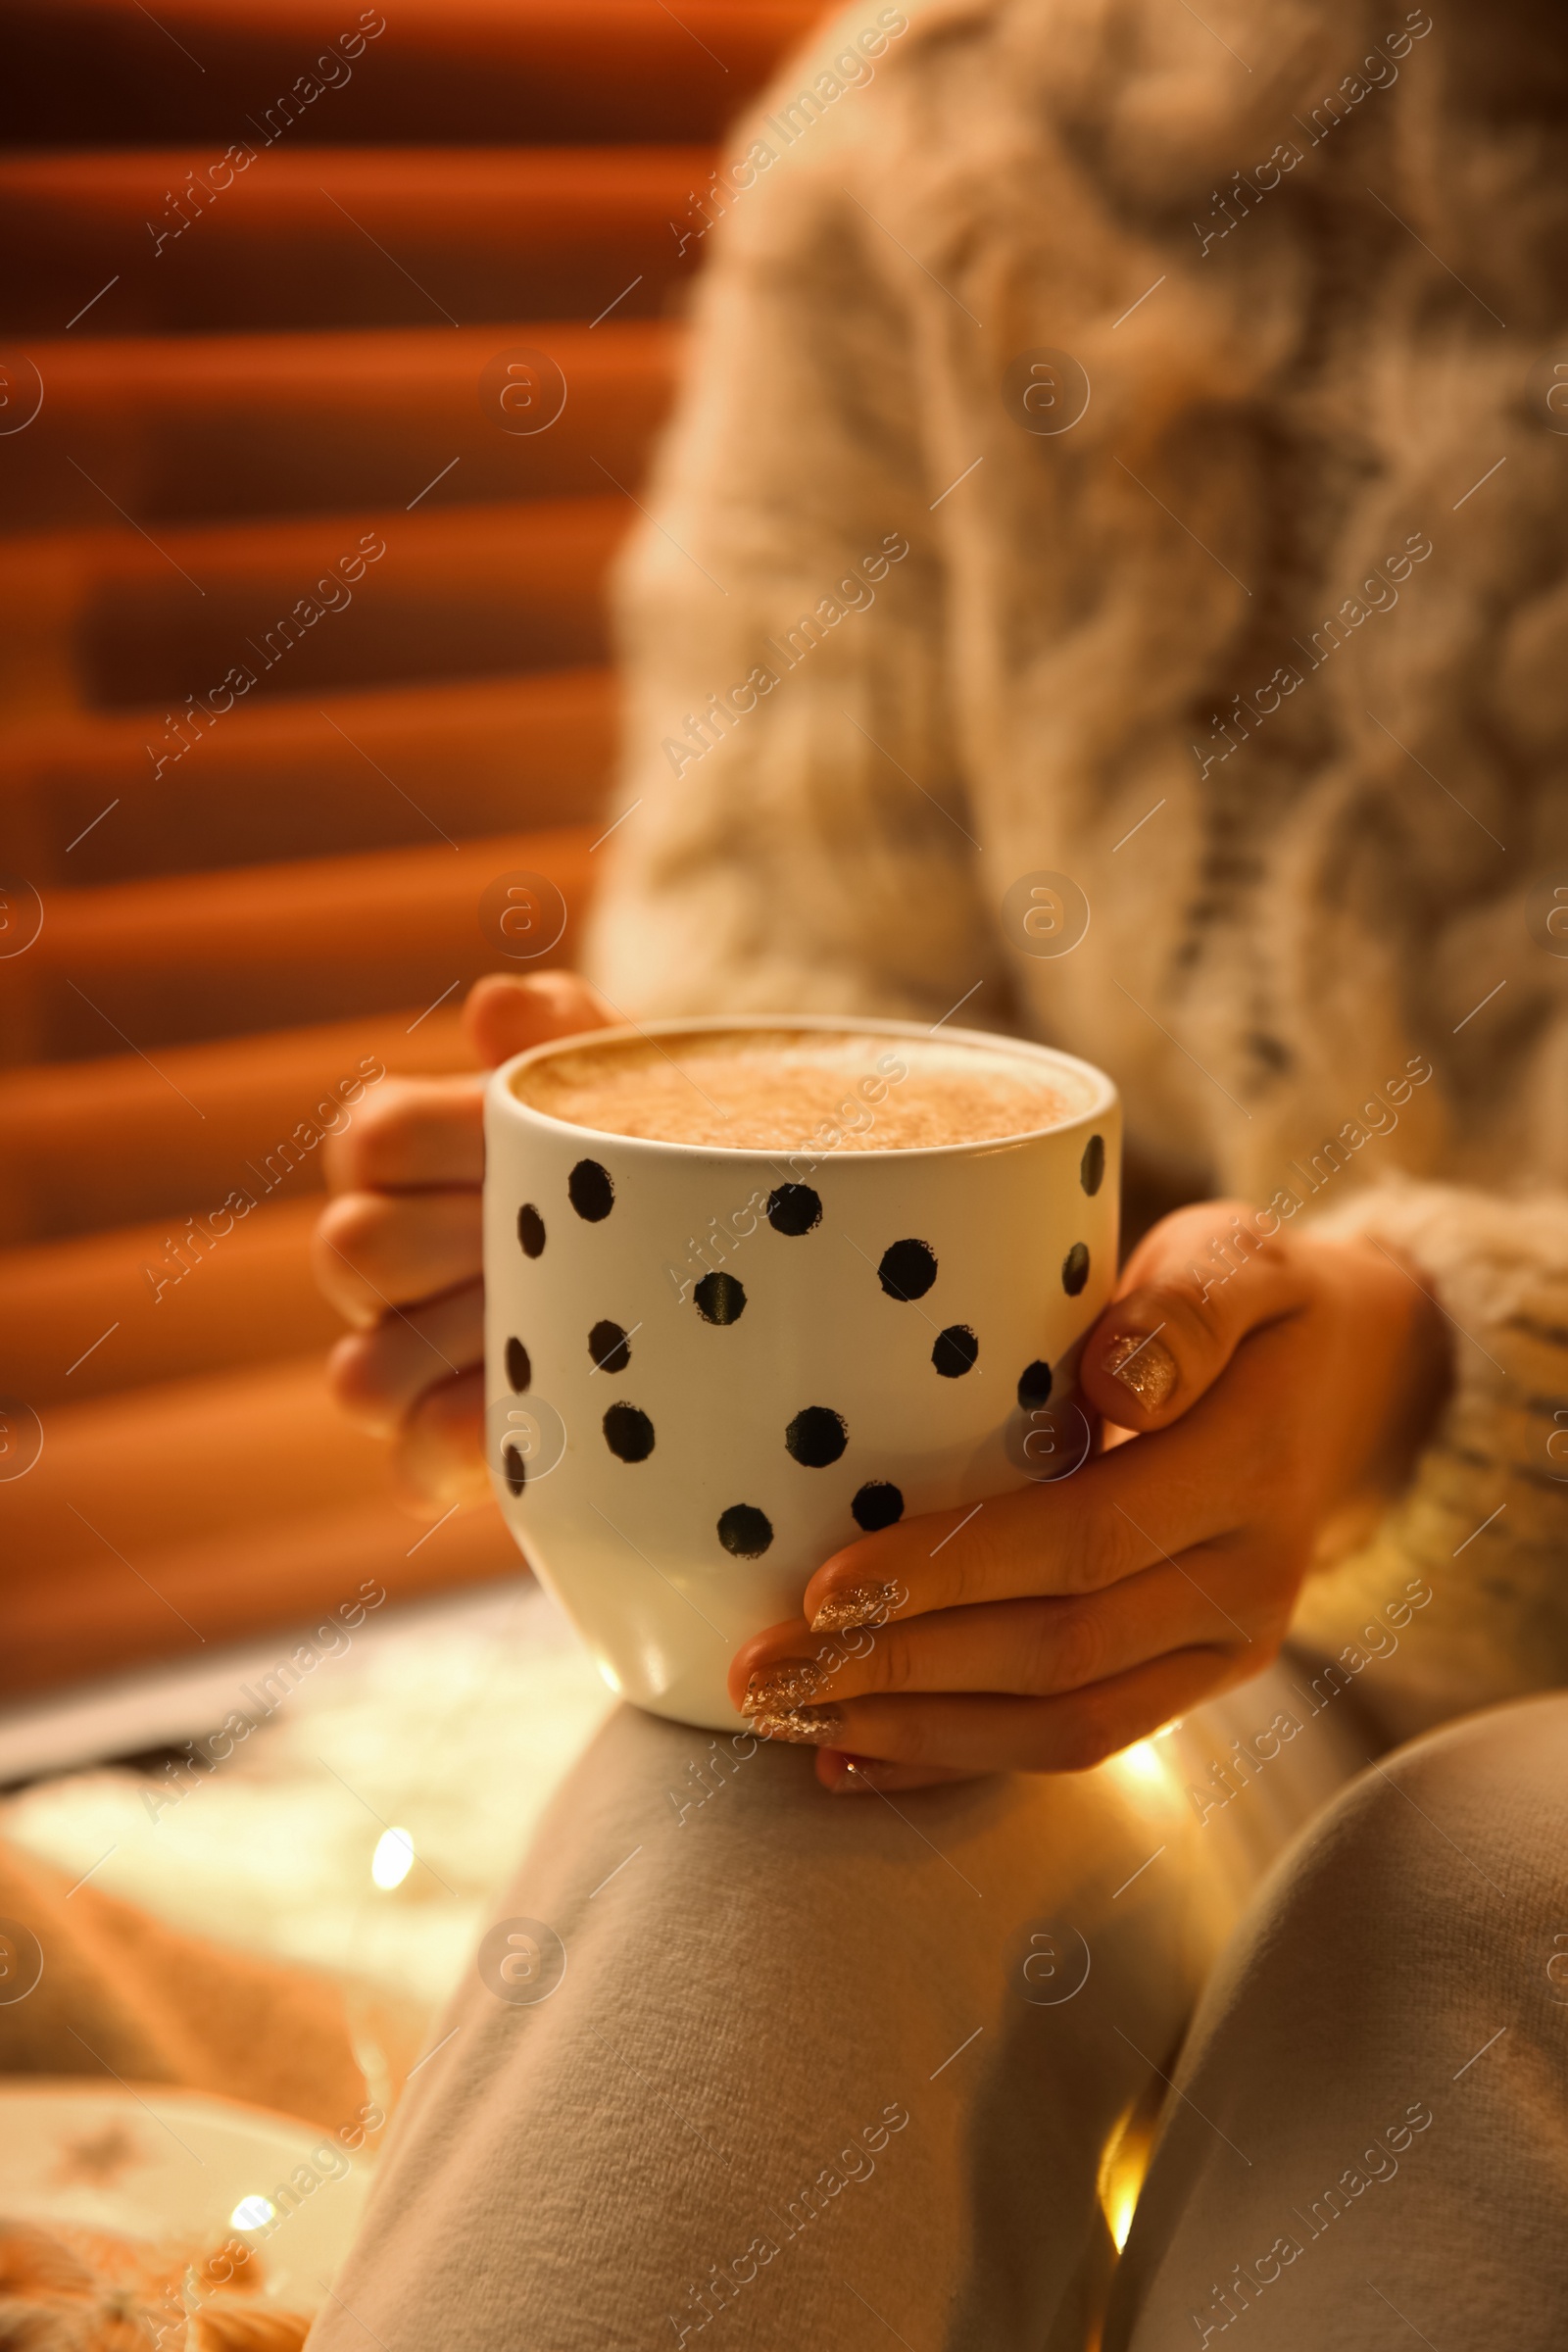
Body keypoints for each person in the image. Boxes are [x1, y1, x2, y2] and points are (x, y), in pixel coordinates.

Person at [307, 0, 1568, 2340]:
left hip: (1400, 1592)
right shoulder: (923, 142)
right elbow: (783, 988)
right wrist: (643, 1258)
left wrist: (1428, 1381)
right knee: (777, 1798)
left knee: (1470, 1899)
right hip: (1184, 1593)